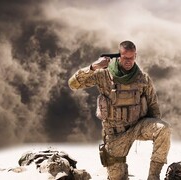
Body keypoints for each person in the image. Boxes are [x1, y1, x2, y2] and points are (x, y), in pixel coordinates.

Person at [68, 40, 171, 180]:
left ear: (135, 55)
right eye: (125, 57)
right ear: (118, 56)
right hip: (115, 134)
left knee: (163, 128)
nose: (128, 61)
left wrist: (154, 129)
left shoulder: (143, 78)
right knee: (117, 177)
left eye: (131, 57)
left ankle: (153, 177)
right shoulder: (103, 75)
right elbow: (73, 84)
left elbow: (153, 106)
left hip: (138, 127)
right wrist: (93, 67)